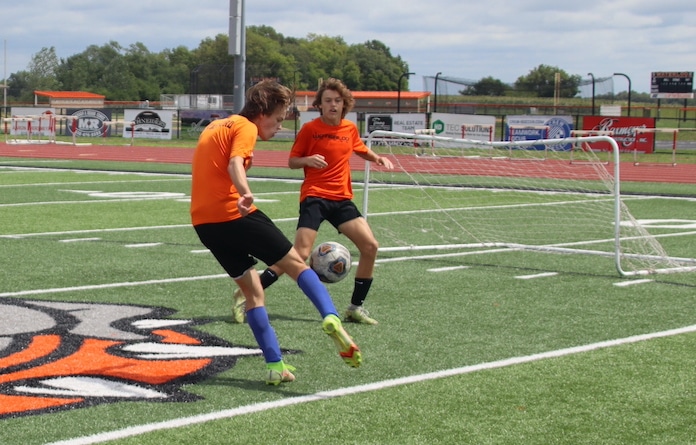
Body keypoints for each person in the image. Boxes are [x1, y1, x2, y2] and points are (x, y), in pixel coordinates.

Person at [190, 79, 362, 386]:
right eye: (279, 119)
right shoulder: (246, 127)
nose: (280, 127)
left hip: (204, 224)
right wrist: (245, 192)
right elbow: (233, 165)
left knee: (253, 293)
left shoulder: (215, 126)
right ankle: (331, 316)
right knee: (296, 262)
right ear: (262, 111)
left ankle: (275, 366)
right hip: (234, 214)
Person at [232, 77, 394, 326]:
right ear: (320, 104)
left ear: (344, 104)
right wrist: (308, 160)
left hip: (341, 200)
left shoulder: (349, 129)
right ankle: (247, 293)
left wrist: (377, 158)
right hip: (315, 197)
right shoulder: (310, 129)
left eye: (337, 101)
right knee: (299, 254)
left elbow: (359, 147)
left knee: (370, 246)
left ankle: (355, 308)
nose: (332, 105)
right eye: (327, 100)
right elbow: (292, 161)